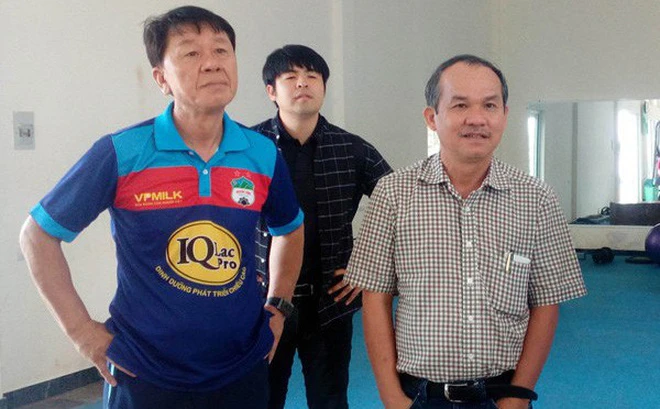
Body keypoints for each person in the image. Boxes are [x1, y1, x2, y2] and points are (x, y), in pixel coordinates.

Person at [18, 6, 304, 409]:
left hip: (242, 365)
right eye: (191, 53)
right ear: (161, 79)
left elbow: (289, 228)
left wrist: (278, 306)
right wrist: (82, 333)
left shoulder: (262, 154)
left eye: (221, 50)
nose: (212, 63)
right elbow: (37, 235)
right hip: (145, 371)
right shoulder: (122, 152)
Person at [344, 54, 587, 409]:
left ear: (504, 114)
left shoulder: (537, 199)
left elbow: (546, 304)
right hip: (419, 396)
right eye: (460, 105)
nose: (477, 118)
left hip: (502, 394)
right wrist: (391, 397)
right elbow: (375, 298)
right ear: (432, 117)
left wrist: (518, 396)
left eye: (490, 105)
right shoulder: (393, 195)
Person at [252, 44, 392, 409]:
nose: (303, 83)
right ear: (271, 91)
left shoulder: (353, 149)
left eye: (312, 76)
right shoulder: (248, 148)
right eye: (290, 77)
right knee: (262, 398)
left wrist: (369, 264)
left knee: (330, 401)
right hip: (262, 304)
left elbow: (403, 205)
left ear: (324, 88)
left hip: (329, 302)